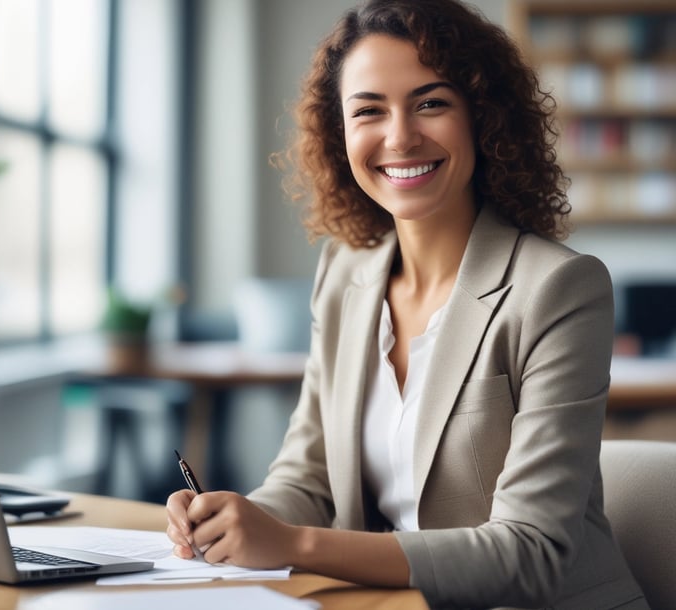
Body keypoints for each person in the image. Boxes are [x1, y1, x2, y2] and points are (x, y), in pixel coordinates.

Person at [167, 1, 648, 607]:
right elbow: (306, 478)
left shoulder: (559, 289)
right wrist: (234, 522)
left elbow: (532, 551)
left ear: (484, 117)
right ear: (341, 134)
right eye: (369, 110)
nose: (400, 136)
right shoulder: (343, 276)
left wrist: (292, 544)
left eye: (431, 103)